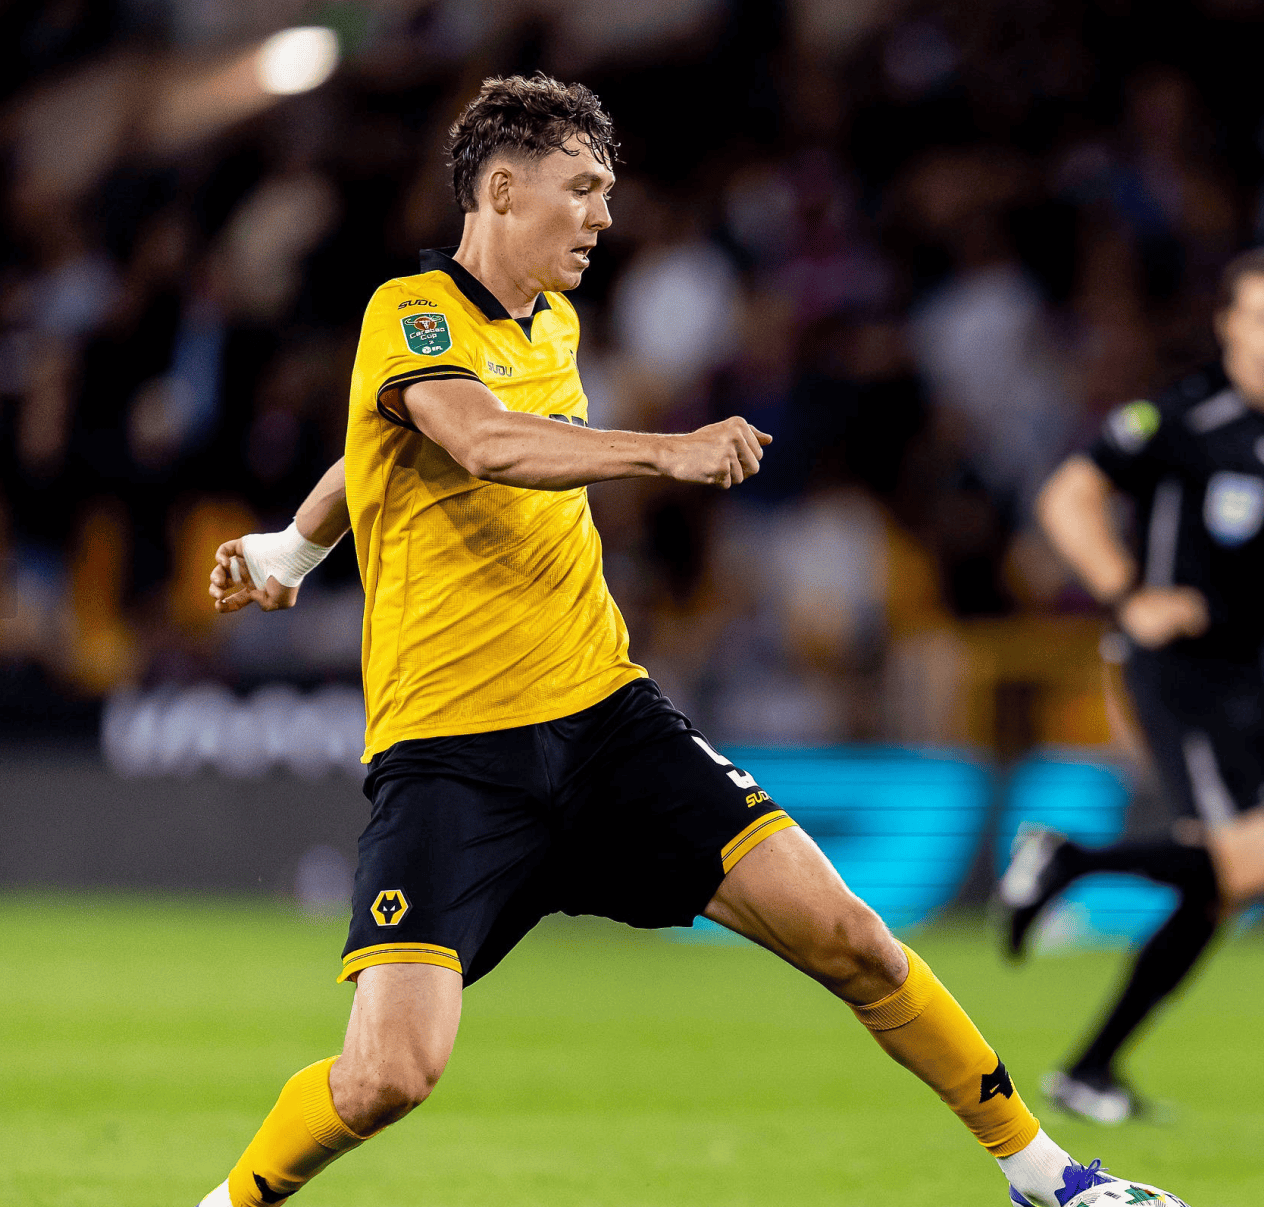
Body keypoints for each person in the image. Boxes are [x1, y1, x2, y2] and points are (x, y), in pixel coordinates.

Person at [196, 74, 1177, 1207]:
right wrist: (666, 451)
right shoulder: (411, 310)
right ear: (501, 190)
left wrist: (293, 547)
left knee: (853, 936)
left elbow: (383, 441)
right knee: (387, 1077)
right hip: (453, 755)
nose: (604, 215)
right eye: (582, 188)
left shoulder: (550, 324)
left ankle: (1049, 1176)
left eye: (606, 191)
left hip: (606, 722)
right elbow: (476, 438)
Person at [1008, 246, 1264, 1123]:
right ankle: (1066, 859)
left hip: (1248, 675)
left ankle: (1090, 1069)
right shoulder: (1180, 417)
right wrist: (1127, 592)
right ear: (1229, 325)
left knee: (1217, 888)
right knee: (1257, 863)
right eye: (1262, 318)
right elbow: (1067, 497)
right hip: (1176, 661)